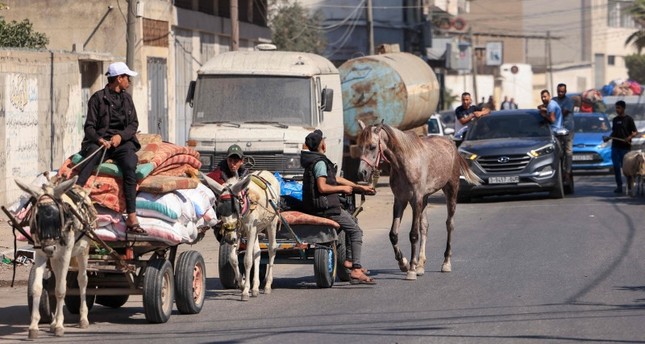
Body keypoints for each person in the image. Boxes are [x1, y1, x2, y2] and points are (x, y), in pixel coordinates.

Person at [75, 62, 144, 235]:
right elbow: (89, 127)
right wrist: (100, 140)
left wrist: (120, 137)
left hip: (122, 144)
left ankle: (132, 217)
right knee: (90, 159)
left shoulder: (127, 99)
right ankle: (75, 197)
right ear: (119, 79)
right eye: (126, 77)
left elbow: (134, 124)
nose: (129, 81)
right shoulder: (97, 98)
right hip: (100, 144)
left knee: (129, 165)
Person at [301, 129, 376, 284]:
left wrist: (359, 187)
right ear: (321, 144)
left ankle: (349, 260)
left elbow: (335, 178)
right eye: (323, 140)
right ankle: (356, 269)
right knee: (356, 232)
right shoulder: (320, 163)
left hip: (321, 205)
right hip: (325, 208)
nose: (325, 142)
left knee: (352, 222)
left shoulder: (315, 160)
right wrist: (342, 189)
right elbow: (322, 187)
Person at [606, 100, 638, 193]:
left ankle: (629, 185)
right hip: (615, 146)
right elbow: (614, 132)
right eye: (616, 108)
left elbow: (635, 132)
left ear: (623, 108)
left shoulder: (629, 119)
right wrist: (608, 138)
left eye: (618, 108)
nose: (617, 110)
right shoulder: (615, 120)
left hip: (625, 148)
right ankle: (619, 186)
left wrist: (629, 137)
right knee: (616, 167)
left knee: (626, 168)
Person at [553, 83, 575, 181]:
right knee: (556, 151)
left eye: (562, 91)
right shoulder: (553, 100)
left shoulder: (569, 101)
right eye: (559, 91)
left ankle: (568, 171)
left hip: (567, 129)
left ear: (565, 91)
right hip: (556, 130)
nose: (560, 93)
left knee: (568, 151)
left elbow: (562, 112)